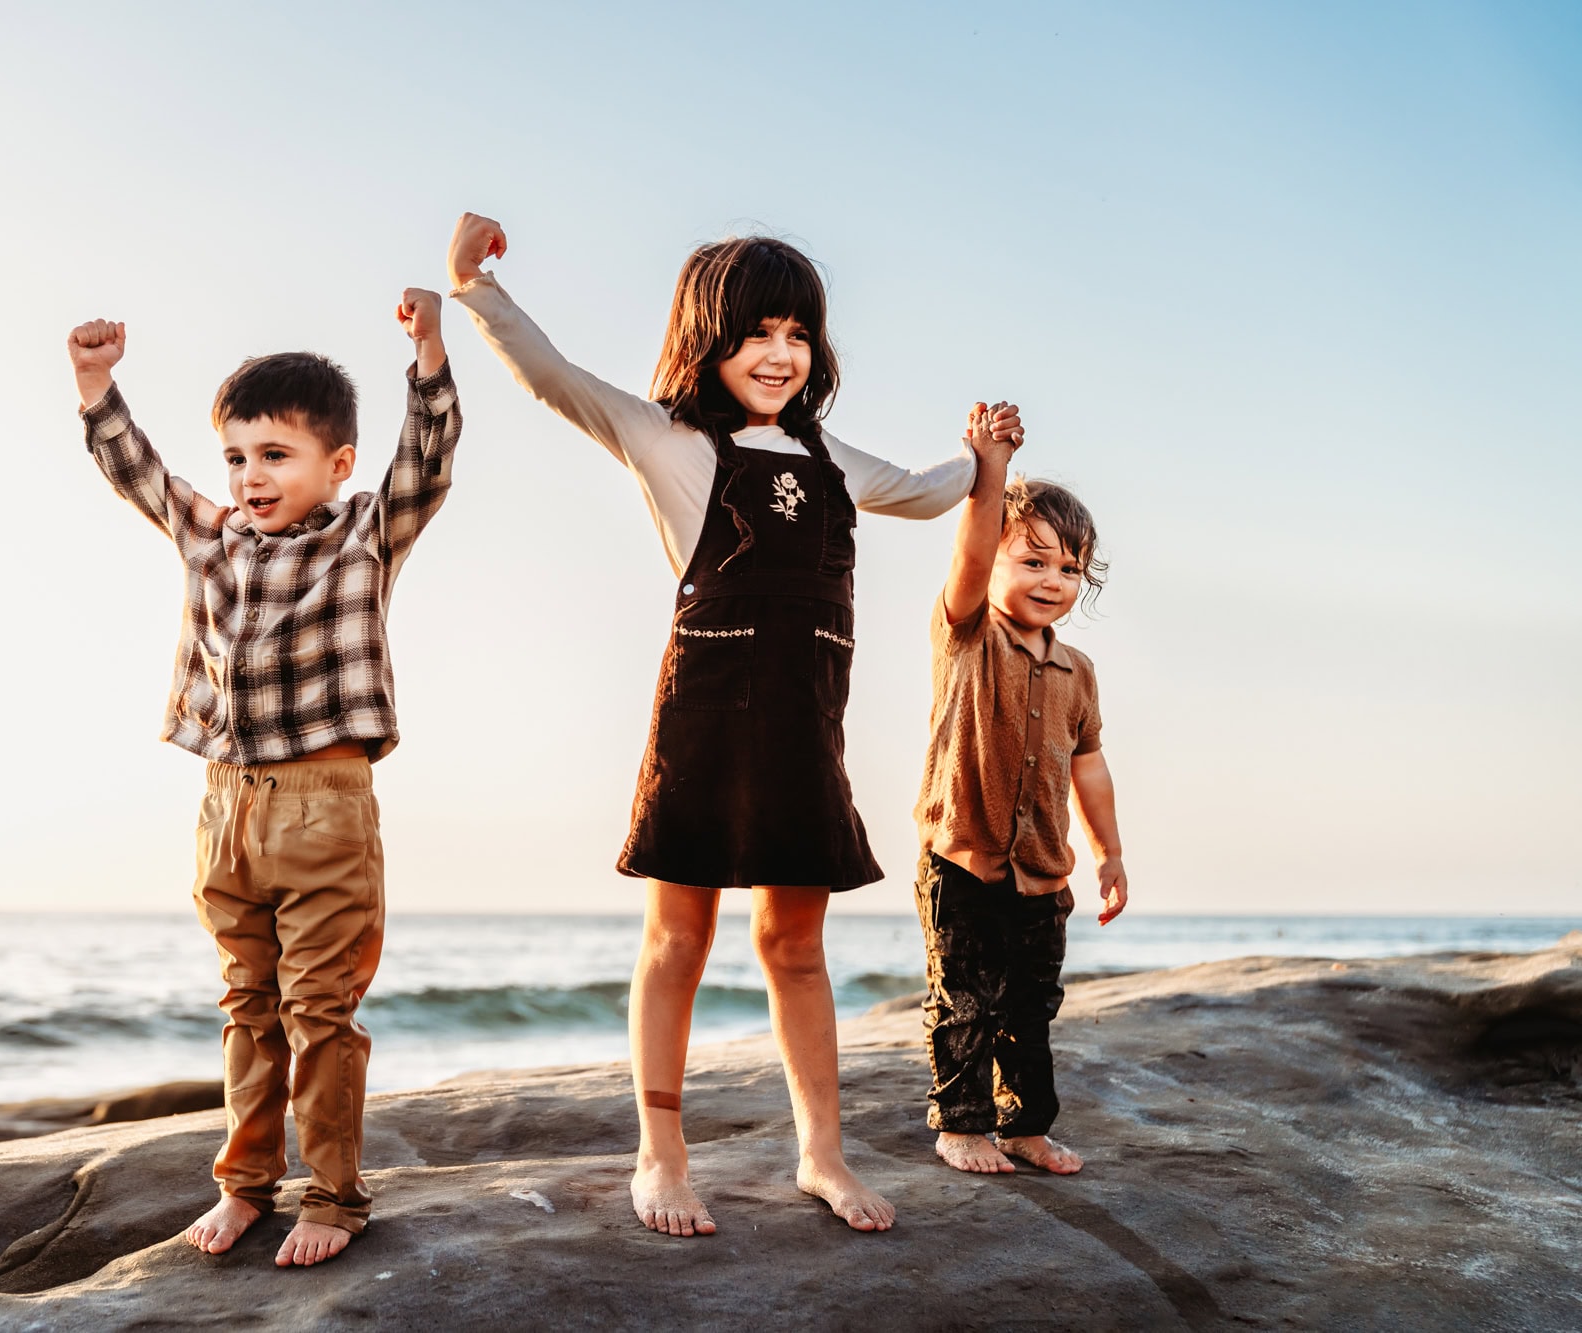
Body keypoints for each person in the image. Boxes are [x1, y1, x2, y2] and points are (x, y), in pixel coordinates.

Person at [446, 212, 1007, 1236]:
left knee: (794, 943)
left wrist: (981, 457)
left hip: (804, 721)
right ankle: (659, 1153)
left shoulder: (826, 453)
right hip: (702, 714)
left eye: (796, 333)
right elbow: (552, 376)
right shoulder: (665, 438)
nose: (779, 354)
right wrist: (472, 287)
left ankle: (821, 1155)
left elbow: (930, 495)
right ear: (707, 340)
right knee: (677, 939)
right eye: (756, 333)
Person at [65, 289, 461, 1267]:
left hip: (323, 809)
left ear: (336, 465)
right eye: (237, 455)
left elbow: (428, 459)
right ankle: (244, 1184)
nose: (249, 475)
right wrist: (95, 384)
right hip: (225, 807)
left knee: (318, 1009)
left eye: (274, 455)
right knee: (247, 1002)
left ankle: (331, 1192)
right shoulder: (210, 534)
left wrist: (427, 356)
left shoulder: (363, 532)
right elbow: (139, 475)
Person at [914, 409, 1128, 1177]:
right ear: (995, 568)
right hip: (962, 859)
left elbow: (1090, 765)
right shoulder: (967, 629)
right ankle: (960, 1124)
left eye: (1069, 569)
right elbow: (972, 549)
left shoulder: (1080, 672)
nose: (1053, 581)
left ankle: (1024, 1125)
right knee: (963, 998)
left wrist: (1108, 852)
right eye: (1032, 561)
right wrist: (991, 467)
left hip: (1042, 868)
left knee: (1030, 1008)